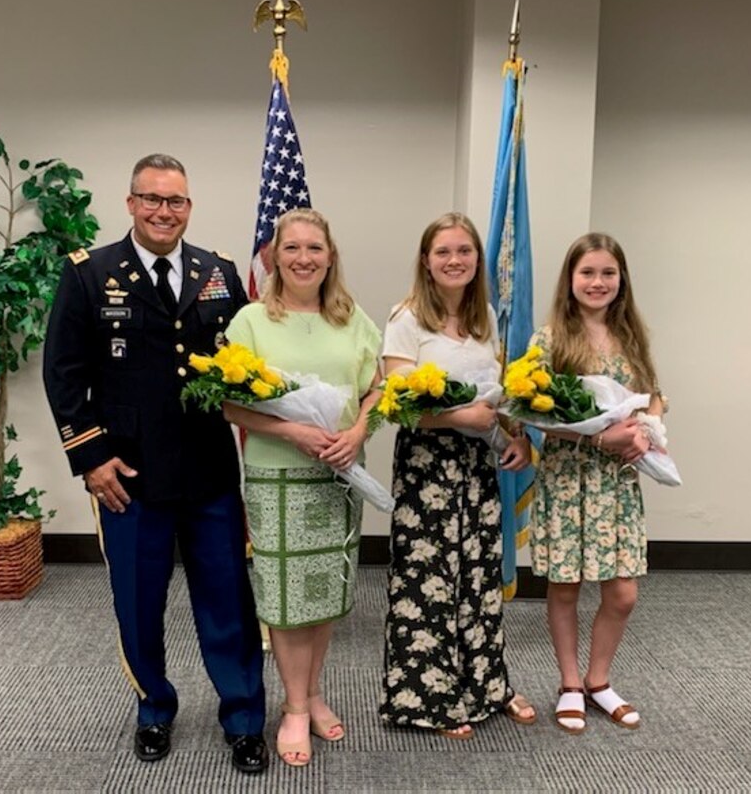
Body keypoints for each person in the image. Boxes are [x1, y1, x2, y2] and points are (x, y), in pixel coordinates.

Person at [42, 154, 267, 772]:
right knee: (138, 603)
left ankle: (244, 717)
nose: (164, 211)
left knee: (228, 601)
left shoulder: (217, 272)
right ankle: (153, 710)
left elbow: (246, 361)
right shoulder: (90, 275)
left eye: (176, 201)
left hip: (209, 472)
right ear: (131, 203)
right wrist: (91, 459)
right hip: (129, 476)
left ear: (189, 207)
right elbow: (63, 374)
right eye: (152, 199)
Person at [222, 208, 381, 768]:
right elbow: (229, 401)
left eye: (314, 248)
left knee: (327, 593)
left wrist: (359, 429)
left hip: (340, 476)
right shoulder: (250, 321)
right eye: (292, 248)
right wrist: (292, 429)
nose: (304, 258)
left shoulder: (352, 319)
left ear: (330, 255)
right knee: (288, 599)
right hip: (278, 475)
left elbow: (375, 390)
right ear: (274, 256)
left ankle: (314, 693)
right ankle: (292, 706)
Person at [378, 212, 536, 739]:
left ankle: (486, 685)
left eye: (464, 251)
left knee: (478, 580)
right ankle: (429, 699)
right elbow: (396, 406)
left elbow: (498, 397)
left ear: (476, 261)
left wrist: (513, 438)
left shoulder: (486, 317)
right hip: (428, 466)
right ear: (426, 260)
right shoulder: (405, 319)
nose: (454, 260)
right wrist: (456, 418)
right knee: (430, 584)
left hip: (479, 466)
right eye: (443, 251)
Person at [529, 231, 664, 734]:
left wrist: (648, 430)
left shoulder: (634, 337)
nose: (598, 282)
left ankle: (598, 679)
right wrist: (595, 439)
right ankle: (568, 683)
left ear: (621, 279)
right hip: (568, 477)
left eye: (608, 272)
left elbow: (655, 396)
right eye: (587, 272)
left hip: (617, 482)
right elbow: (533, 414)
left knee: (622, 593)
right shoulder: (549, 339)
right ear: (570, 279)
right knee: (566, 587)